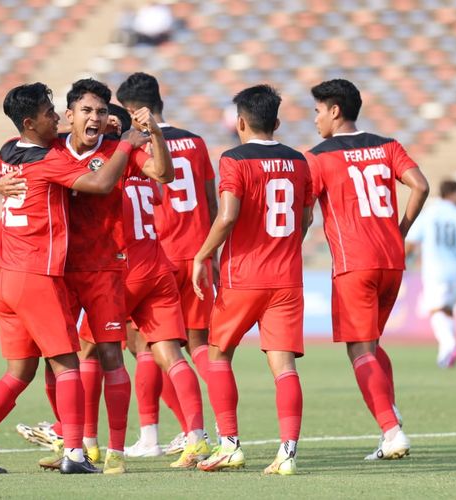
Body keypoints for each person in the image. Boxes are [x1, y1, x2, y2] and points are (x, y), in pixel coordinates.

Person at [0, 82, 149, 475]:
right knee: (68, 364)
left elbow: (27, 158)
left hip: (4, 272)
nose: (56, 117)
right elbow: (101, 183)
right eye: (48, 113)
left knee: (20, 371)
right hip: (34, 273)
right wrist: (125, 142)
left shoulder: (9, 149)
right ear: (29, 121)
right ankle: (75, 453)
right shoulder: (49, 161)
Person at [304, 79, 429, 461]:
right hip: (392, 260)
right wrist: (401, 230)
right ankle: (390, 417)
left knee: (359, 348)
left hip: (354, 262)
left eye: (318, 111)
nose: (316, 119)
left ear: (335, 111)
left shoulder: (318, 157)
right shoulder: (388, 145)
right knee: (371, 343)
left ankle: (391, 431)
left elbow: (304, 212)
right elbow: (421, 186)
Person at [191, 84, 313, 475]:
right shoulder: (299, 161)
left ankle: (229, 444)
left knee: (219, 354)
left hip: (243, 276)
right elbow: (306, 218)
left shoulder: (234, 159)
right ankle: (288, 453)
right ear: (277, 122)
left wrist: (203, 253)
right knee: (285, 368)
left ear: (240, 122)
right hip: (287, 279)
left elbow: (226, 215)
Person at [116, 72, 218, 457]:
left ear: (131, 110)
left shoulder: (137, 144)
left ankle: (150, 436)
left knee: (145, 344)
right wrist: (213, 255)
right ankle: (220, 431)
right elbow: (209, 201)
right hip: (196, 253)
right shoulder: (196, 141)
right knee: (200, 346)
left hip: (155, 256)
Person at [405, 180, 456, 368]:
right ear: (454, 194)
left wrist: (401, 261)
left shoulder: (429, 214)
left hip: (434, 269)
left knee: (435, 309)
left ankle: (449, 344)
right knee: (446, 309)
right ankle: (445, 355)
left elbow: (412, 242)